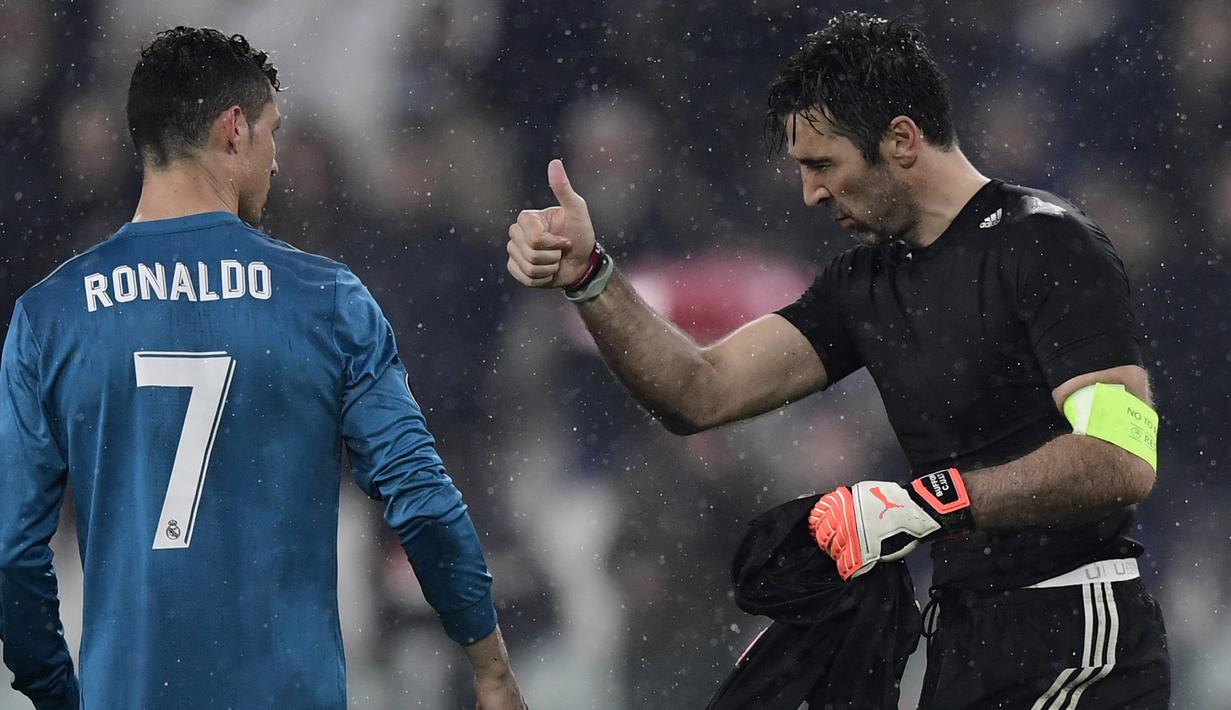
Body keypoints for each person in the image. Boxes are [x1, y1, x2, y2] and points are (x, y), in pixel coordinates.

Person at [505, 11, 1168, 709]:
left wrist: (927, 502)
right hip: (960, 629)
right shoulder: (863, 285)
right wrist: (592, 278)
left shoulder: (1046, 243)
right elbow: (699, 392)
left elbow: (1121, 455)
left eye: (823, 165)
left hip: (1076, 627)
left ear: (901, 140)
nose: (810, 192)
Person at [0, 26, 527, 710]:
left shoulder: (52, 315)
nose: (276, 161)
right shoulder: (325, 300)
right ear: (234, 130)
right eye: (272, 132)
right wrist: (489, 664)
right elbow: (421, 498)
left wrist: (53, 691)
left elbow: (14, 551)